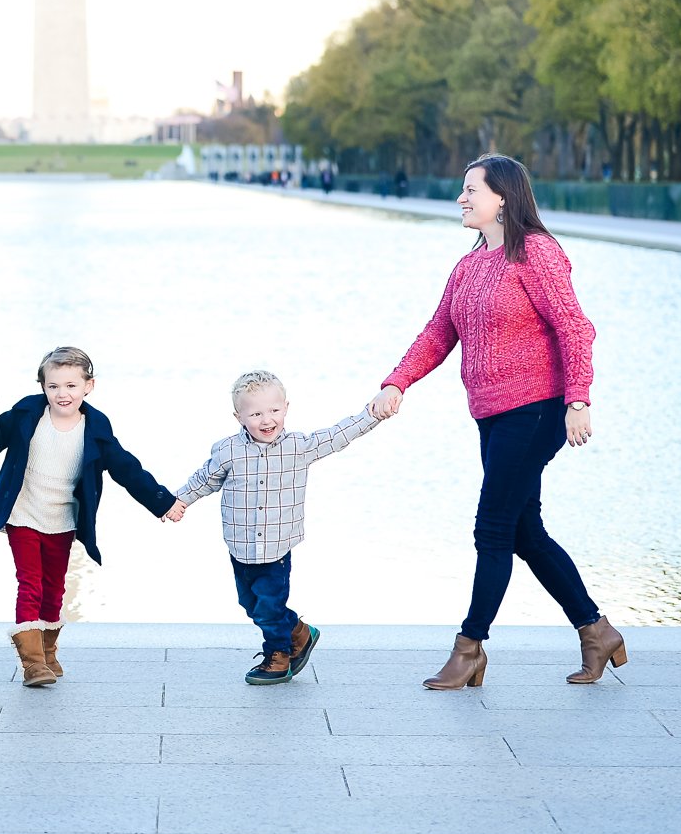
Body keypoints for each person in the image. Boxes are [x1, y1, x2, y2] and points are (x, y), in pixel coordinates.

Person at [369, 152, 621, 690]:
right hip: (492, 414)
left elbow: (576, 328)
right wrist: (397, 381)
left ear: (502, 197)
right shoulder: (468, 265)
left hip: (537, 409)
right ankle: (597, 632)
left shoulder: (536, 252)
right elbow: (439, 333)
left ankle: (470, 648)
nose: (461, 199)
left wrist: (578, 399)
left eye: (471, 190)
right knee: (525, 530)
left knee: (493, 527)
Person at [0, 346, 184, 686]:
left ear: (89, 386)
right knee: (30, 583)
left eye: (71, 385)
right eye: (53, 386)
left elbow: (126, 469)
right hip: (22, 513)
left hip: (63, 520)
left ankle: (48, 652)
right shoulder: (27, 412)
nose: (62, 394)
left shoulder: (96, 427)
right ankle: (32, 664)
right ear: (43, 387)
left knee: (54, 587)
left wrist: (163, 501)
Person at [176, 370, 381, 685]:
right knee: (251, 605)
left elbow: (339, 435)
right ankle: (300, 631)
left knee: (269, 607)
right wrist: (178, 501)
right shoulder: (228, 449)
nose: (266, 419)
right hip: (240, 545)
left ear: (286, 408)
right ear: (239, 416)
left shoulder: (299, 446)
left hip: (277, 545)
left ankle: (278, 657)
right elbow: (205, 480)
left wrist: (373, 414)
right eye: (255, 413)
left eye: (273, 410)